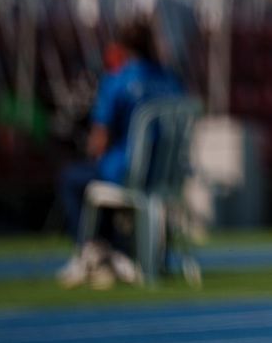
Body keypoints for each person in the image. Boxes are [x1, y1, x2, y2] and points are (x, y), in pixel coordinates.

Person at [56, 18, 183, 287]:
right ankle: (122, 249)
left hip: (126, 171)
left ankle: (94, 248)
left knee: (73, 178)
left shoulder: (119, 81)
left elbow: (99, 140)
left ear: (123, 46)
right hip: (165, 175)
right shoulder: (170, 80)